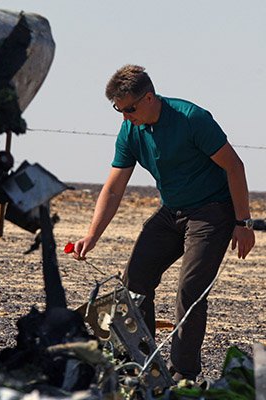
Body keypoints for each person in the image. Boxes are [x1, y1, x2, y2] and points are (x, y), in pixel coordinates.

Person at [72, 64, 255, 381]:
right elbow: (114, 188)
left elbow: (235, 167)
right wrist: (92, 236)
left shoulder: (191, 119)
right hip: (172, 210)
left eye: (129, 109)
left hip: (212, 211)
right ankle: (143, 364)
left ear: (149, 98)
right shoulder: (131, 129)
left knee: (191, 288)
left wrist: (243, 222)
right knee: (135, 281)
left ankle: (184, 372)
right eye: (119, 111)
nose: (125, 116)